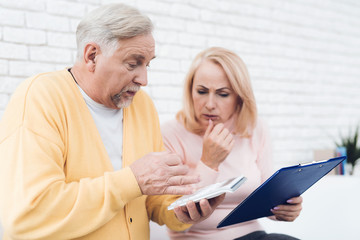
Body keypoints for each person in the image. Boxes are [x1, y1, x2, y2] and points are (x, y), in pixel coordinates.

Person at [0, 4, 225, 240]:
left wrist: (183, 212)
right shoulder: (41, 97)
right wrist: (132, 180)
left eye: (147, 64)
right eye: (133, 63)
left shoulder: (143, 106)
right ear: (92, 56)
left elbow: (152, 201)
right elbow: (28, 216)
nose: (144, 79)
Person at [161, 47, 303, 240]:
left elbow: (268, 198)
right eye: (202, 91)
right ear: (190, 91)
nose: (210, 104)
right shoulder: (171, 133)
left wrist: (282, 210)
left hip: (252, 234)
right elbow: (178, 223)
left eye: (223, 94)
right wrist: (209, 162)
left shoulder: (255, 129)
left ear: (239, 97)